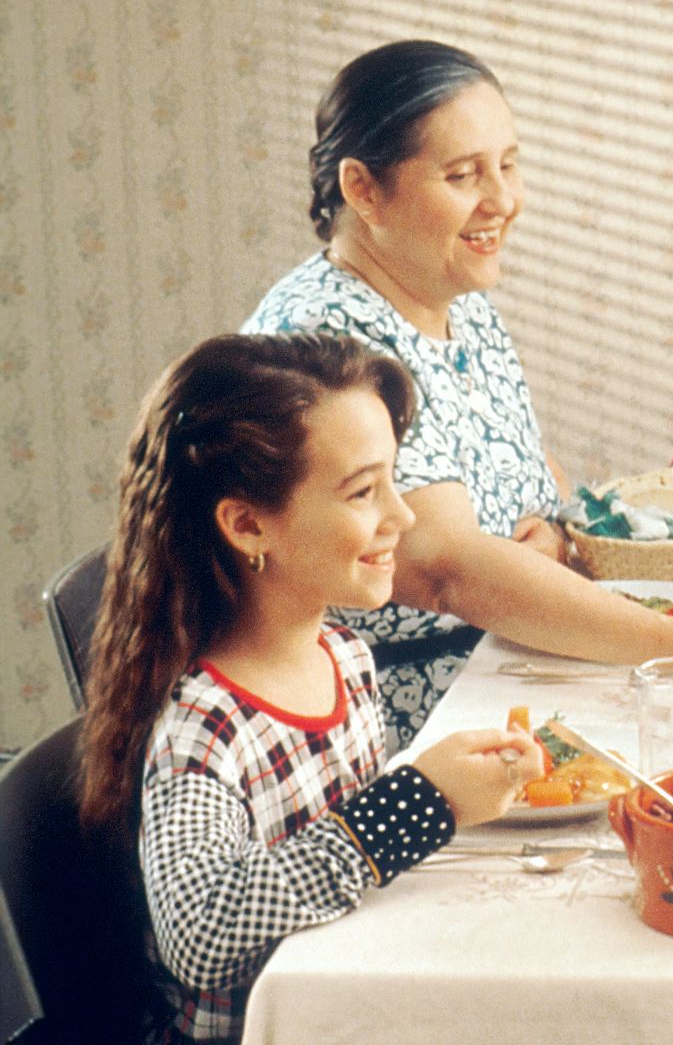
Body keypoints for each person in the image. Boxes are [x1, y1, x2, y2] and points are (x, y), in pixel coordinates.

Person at [243, 40, 673, 747]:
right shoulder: (327, 342)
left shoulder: (453, 295)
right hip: (389, 724)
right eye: (462, 175)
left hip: (502, 668)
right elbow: (446, 569)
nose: (504, 201)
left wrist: (558, 534)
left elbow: (528, 479)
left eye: (508, 165)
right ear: (362, 190)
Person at [76, 333, 543, 1044]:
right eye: (363, 491)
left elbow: (344, 869)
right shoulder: (207, 725)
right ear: (247, 524)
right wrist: (416, 804)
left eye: (394, 479)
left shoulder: (343, 655)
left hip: (354, 1006)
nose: (404, 516)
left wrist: (451, 793)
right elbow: (200, 932)